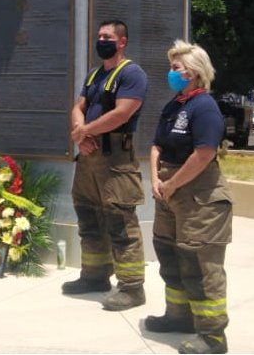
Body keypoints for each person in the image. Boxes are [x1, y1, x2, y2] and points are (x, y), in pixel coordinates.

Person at [146, 40, 232, 354]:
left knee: (201, 265)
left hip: (200, 198)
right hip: (169, 195)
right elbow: (156, 146)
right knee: (171, 257)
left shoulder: (204, 106)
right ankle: (179, 317)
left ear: (194, 72)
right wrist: (156, 179)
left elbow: (204, 154)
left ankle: (212, 336)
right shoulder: (174, 105)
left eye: (176, 68)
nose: (171, 73)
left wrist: (172, 184)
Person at [64, 19, 149, 311]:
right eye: (99, 35)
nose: (101, 40)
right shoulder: (95, 74)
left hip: (115, 161)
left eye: (107, 36)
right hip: (88, 159)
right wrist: (80, 135)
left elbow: (122, 114)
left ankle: (132, 288)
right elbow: (78, 107)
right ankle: (94, 276)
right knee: (89, 219)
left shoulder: (132, 74)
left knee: (121, 224)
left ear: (122, 41)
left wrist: (85, 132)